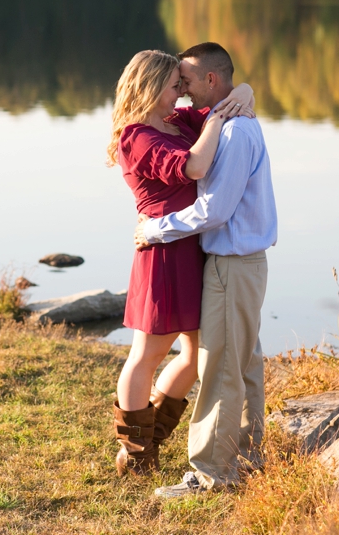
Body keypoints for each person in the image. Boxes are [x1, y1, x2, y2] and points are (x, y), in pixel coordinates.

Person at [133, 43, 277, 497]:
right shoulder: (233, 122)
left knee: (220, 369)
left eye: (187, 81)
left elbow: (214, 211)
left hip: (232, 264)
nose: (183, 92)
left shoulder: (233, 133)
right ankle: (248, 458)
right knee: (244, 364)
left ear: (211, 81)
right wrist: (247, 92)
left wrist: (157, 229)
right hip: (243, 264)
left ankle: (212, 474)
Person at [107, 49, 255, 476]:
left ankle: (146, 440)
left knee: (194, 356)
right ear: (152, 87)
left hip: (193, 248)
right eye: (176, 86)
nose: (182, 94)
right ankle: (137, 454)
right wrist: (214, 121)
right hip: (163, 254)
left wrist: (242, 90)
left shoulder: (178, 122)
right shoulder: (135, 137)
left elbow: (228, 97)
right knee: (149, 353)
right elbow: (193, 166)